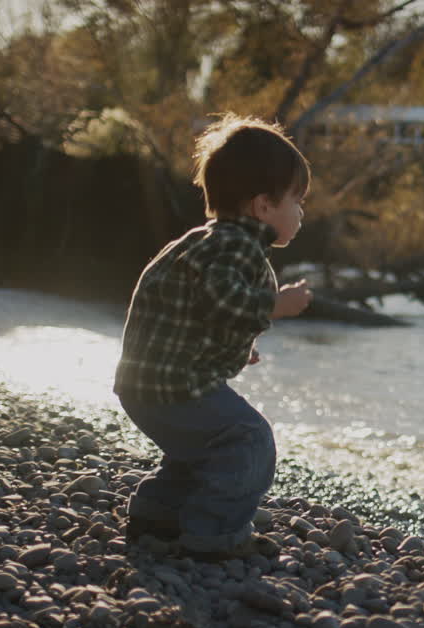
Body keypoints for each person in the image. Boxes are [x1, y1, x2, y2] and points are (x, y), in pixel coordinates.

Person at [113, 114, 313, 559]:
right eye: (296, 201)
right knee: (247, 439)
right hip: (172, 386)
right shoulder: (235, 244)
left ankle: (158, 515)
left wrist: (242, 346)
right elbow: (221, 301)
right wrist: (276, 304)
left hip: (148, 383)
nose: (300, 212)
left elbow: (200, 311)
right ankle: (214, 534)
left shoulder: (211, 240)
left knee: (201, 447)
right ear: (263, 206)